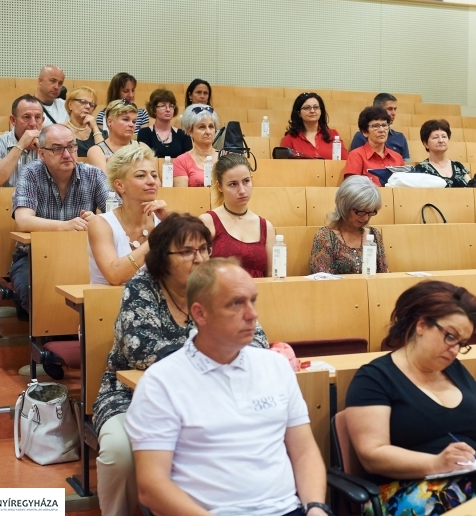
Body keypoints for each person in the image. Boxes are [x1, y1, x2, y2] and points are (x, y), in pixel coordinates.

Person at [126, 258, 331, 516]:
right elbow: (152, 486)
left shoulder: (275, 366)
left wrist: (315, 507)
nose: (252, 314)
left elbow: (304, 451)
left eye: (252, 301)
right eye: (236, 303)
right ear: (200, 313)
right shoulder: (161, 382)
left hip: (287, 510)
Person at [346, 280, 476, 514]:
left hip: (468, 477)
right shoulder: (375, 378)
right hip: (401, 488)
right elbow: (372, 454)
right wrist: (436, 464)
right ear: (422, 325)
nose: (455, 349)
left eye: (463, 343)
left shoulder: (457, 371)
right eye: (450, 337)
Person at [92, 213, 212, 516]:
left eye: (203, 249)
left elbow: (255, 339)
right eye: (187, 251)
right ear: (162, 257)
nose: (199, 259)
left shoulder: (217, 286)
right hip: (132, 395)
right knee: (121, 451)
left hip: (206, 395)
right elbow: (141, 350)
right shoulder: (141, 287)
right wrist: (212, 354)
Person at [10, 125, 109, 315]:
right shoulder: (31, 173)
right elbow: (23, 221)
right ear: (42, 154)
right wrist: (66, 226)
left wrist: (97, 220)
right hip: (35, 255)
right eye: (57, 149)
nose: (67, 154)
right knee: (33, 294)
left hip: (83, 255)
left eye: (71, 147)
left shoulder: (93, 174)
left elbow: (116, 215)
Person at [88, 144, 168, 285]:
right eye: (141, 175)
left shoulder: (164, 220)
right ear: (120, 185)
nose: (151, 181)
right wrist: (160, 236)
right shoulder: (100, 223)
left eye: (154, 175)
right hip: (109, 304)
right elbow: (115, 276)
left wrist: (172, 222)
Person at [0, 95, 44, 270]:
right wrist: (20, 146)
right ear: (13, 120)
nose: (33, 124)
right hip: (5, 217)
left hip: (44, 217)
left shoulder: (50, 143)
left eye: (37, 117)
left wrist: (44, 150)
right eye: (26, 117)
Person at [199, 152, 275, 277]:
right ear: (220, 187)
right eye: (233, 184)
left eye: (246, 181)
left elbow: (272, 276)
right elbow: (200, 275)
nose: (242, 190)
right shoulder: (207, 222)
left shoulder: (266, 227)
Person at [310, 176, 388, 275]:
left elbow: (384, 275)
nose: (365, 218)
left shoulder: (374, 235)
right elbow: (323, 281)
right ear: (344, 206)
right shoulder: (325, 237)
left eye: (370, 213)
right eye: (360, 212)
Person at [345, 106, 404, 186]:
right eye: (376, 126)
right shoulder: (356, 155)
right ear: (365, 132)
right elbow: (351, 188)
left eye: (384, 125)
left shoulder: (397, 158)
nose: (382, 130)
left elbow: (403, 187)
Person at [280, 92, 347, 160]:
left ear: (321, 111)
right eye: (307, 108)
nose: (312, 111)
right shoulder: (289, 139)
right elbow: (284, 166)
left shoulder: (333, 135)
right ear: (299, 113)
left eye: (316, 107)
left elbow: (344, 161)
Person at [349, 93, 410, 160]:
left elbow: (406, 165)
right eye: (390, 109)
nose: (394, 113)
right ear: (378, 110)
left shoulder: (400, 137)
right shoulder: (360, 136)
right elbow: (355, 159)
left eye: (395, 109)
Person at [173, 104, 220, 187]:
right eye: (202, 127)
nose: (208, 132)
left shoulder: (226, 156)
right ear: (190, 131)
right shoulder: (181, 161)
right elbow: (182, 195)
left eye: (211, 126)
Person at [413, 119, 470, 187]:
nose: (441, 140)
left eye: (444, 136)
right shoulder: (421, 169)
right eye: (435, 137)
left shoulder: (458, 166)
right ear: (426, 144)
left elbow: (472, 189)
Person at [86, 100, 139, 173]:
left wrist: (115, 167)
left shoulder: (141, 148)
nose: (131, 124)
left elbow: (156, 182)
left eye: (134, 121)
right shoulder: (97, 151)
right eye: (126, 119)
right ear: (110, 122)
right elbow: (106, 182)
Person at [137, 89, 192, 158]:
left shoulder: (183, 135)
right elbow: (144, 158)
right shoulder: (144, 133)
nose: (168, 109)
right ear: (153, 109)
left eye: (171, 106)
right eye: (163, 106)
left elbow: (189, 160)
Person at [63, 86, 104, 157]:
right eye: (83, 102)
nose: (88, 106)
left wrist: (95, 128)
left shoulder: (99, 133)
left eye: (91, 104)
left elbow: (105, 156)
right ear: (70, 105)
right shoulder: (60, 130)